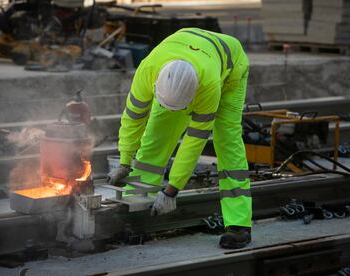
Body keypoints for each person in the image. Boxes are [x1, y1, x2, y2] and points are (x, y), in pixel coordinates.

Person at [108, 27, 252, 249]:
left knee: (227, 139)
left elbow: (194, 141)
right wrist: (125, 161)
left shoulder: (210, 85)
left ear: (193, 94)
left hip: (230, 67)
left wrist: (172, 190)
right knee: (157, 132)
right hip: (188, 51)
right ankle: (137, 203)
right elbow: (133, 118)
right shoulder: (148, 70)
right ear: (156, 86)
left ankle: (239, 225)